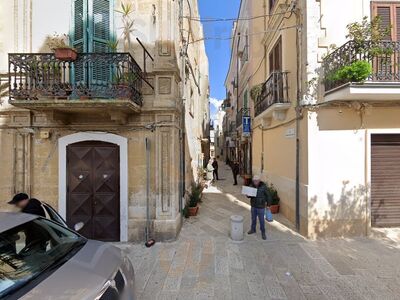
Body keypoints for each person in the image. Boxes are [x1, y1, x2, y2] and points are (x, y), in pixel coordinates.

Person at [247, 175, 271, 240]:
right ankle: (253, 229)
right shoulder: (251, 186)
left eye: (256, 181)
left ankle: (263, 232)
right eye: (254, 181)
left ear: (259, 181)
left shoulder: (263, 186)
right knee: (253, 219)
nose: (255, 182)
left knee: (261, 220)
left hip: (261, 207)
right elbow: (248, 196)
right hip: (253, 206)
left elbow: (268, 196)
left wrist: (268, 205)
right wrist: (248, 195)